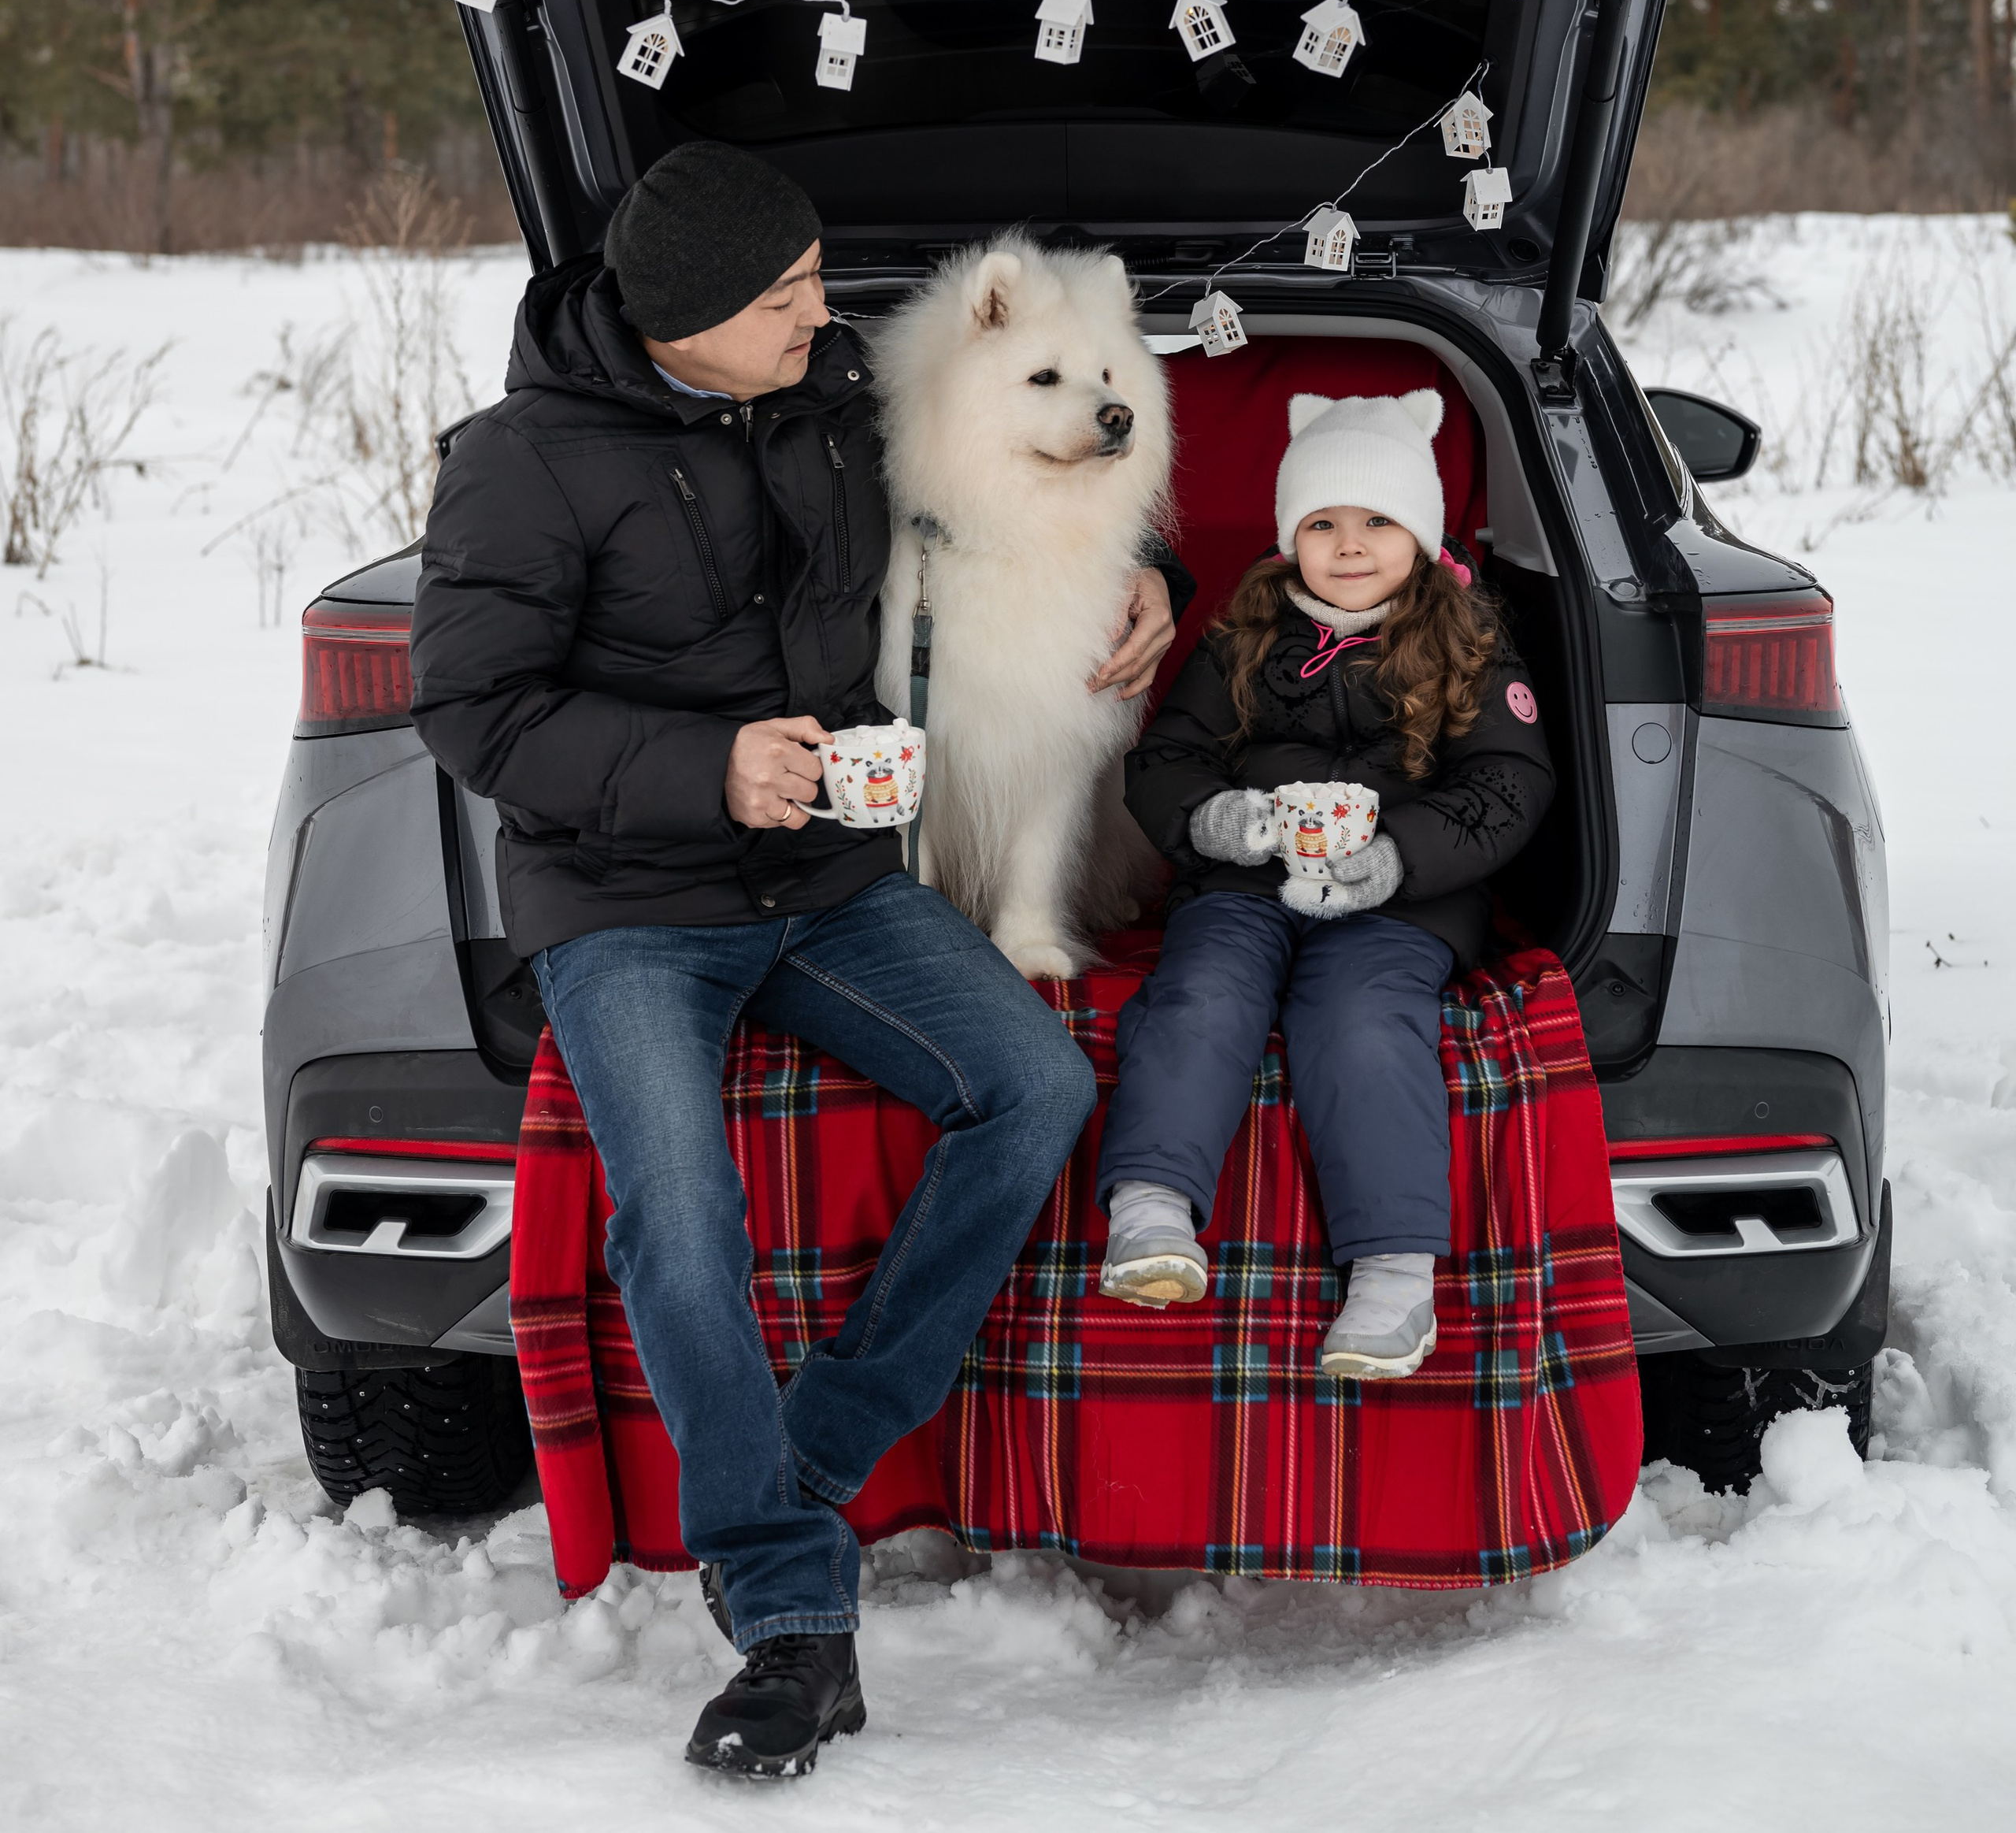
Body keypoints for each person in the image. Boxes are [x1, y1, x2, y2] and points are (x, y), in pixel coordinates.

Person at [409, 143, 1180, 1779]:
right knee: (679, 1218)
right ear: (682, 317)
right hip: (627, 902)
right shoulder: (519, 464)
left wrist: (1155, 585)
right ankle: (786, 1613)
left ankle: (807, 1446)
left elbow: (1015, 492)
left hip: (824, 877)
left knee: (1033, 1083)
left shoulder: (831, 397)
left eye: (817, 281)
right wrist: (704, 773)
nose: (825, 314)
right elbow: (472, 712)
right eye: (787, 295)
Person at [1093, 388, 1553, 1379]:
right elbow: (1167, 755)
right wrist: (1213, 821)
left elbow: (1508, 785)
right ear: (1288, 536)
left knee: (1357, 1020)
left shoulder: (1468, 637)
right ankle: (1150, 1212)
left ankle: (1393, 1276)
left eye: (1378, 521)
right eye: (1321, 523)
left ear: (1421, 531)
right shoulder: (1243, 633)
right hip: (1246, 880)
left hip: (1399, 894)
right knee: (1200, 991)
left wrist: (1398, 857)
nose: (1348, 546)